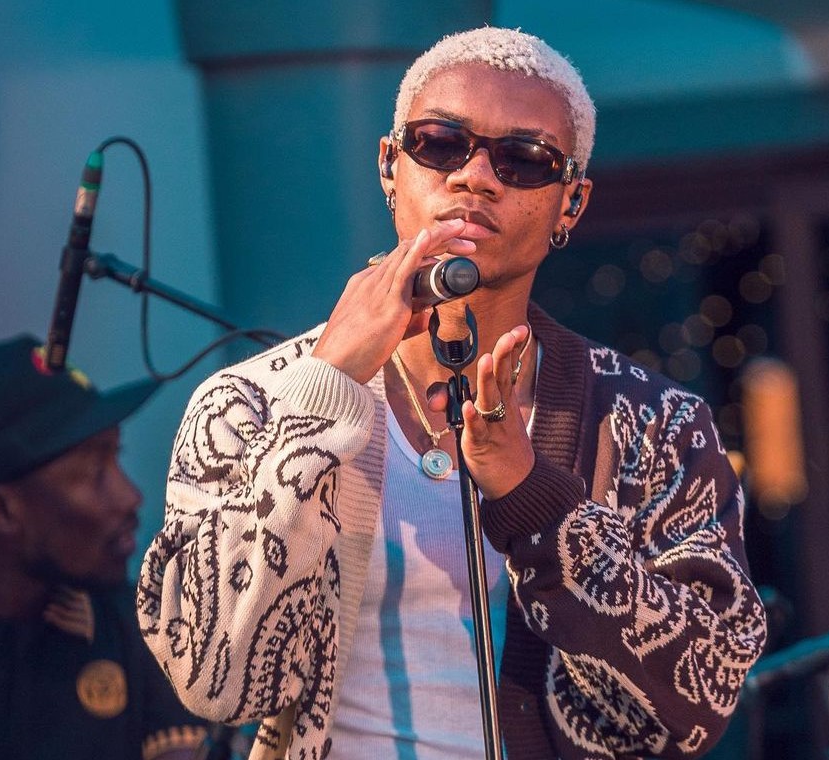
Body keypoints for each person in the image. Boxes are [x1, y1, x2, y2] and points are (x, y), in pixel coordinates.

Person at [137, 26, 767, 760]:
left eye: (523, 160)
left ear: (571, 203)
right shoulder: (245, 404)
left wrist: (533, 498)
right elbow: (213, 679)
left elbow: (698, 703)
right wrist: (323, 393)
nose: (475, 177)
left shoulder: (656, 425)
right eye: (440, 144)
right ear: (389, 164)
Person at [0, 334, 209, 760]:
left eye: (116, 457)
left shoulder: (142, 627)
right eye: (92, 472)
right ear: (0, 510)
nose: (131, 497)